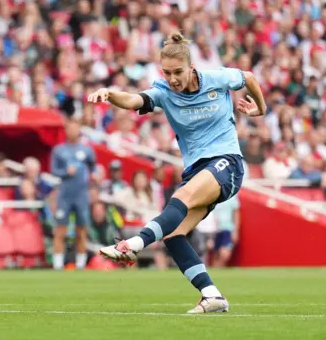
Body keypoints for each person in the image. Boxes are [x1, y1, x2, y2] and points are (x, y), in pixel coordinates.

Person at [87, 32, 266, 314]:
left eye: (178, 72)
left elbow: (249, 77)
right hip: (197, 170)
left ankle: (133, 244)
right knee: (173, 236)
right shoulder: (164, 93)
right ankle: (212, 295)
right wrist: (110, 94)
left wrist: (261, 108)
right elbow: (134, 100)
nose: (172, 79)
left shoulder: (217, 78)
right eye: (167, 73)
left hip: (227, 162)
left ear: (191, 68)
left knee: (182, 195)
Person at [50, 119, 96, 270]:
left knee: (81, 230)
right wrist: (65, 172)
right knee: (60, 230)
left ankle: (81, 264)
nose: (72, 131)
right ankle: (57, 264)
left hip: (81, 195)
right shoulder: (59, 150)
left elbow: (93, 168)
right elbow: (54, 170)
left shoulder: (87, 150)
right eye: (69, 129)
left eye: (75, 128)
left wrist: (93, 180)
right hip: (64, 195)